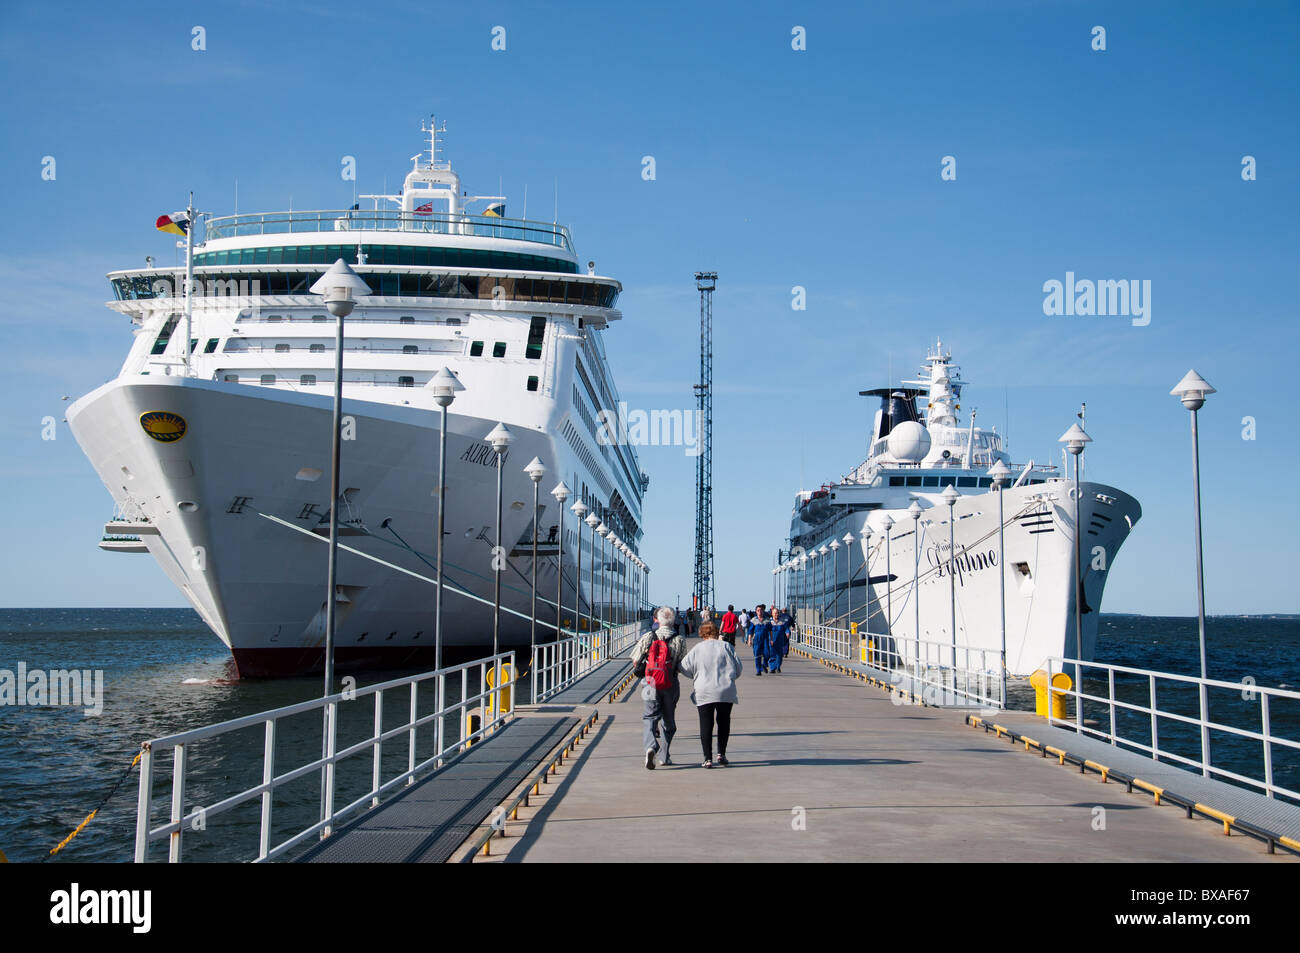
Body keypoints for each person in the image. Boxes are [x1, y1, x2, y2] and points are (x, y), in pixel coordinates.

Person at [678, 621, 742, 768]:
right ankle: (722, 754)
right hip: (726, 690)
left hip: (704, 690)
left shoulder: (697, 648)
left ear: (702, 633)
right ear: (716, 632)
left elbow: (683, 667)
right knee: (724, 722)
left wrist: (694, 676)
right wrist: (730, 678)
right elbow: (738, 669)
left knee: (706, 724)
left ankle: (707, 758)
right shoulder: (727, 646)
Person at [631, 607, 687, 768]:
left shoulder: (648, 636)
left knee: (649, 716)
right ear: (673, 620)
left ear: (658, 620)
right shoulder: (679, 639)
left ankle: (650, 746)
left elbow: (635, 661)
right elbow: (683, 665)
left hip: (650, 682)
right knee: (668, 719)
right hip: (670, 683)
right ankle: (664, 755)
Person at [768, 606, 791, 673]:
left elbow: (786, 629)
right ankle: (772, 668)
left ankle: (778, 667)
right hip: (772, 641)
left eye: (777, 613)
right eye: (775, 613)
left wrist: (787, 633)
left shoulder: (782, 622)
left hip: (780, 641)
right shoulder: (770, 622)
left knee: (779, 655)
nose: (776, 614)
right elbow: (768, 631)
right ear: (772, 614)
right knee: (772, 655)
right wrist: (770, 639)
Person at [749, 606, 771, 676]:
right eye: (758, 610)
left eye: (761, 610)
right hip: (757, 639)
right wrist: (749, 640)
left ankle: (764, 665)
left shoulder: (767, 620)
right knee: (757, 655)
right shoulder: (753, 620)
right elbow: (750, 631)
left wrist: (772, 639)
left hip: (765, 638)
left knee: (767, 653)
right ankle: (758, 670)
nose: (760, 612)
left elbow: (770, 630)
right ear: (756, 611)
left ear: (763, 611)